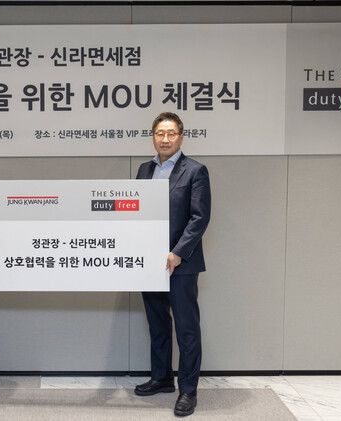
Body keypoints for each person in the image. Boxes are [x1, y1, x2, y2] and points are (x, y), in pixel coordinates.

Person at [134, 112, 211, 417]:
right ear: (153, 136)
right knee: (158, 324)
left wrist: (178, 252)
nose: (164, 139)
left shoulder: (195, 171)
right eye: (159, 133)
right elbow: (136, 212)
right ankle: (162, 378)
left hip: (181, 263)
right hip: (149, 263)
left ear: (181, 136)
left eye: (171, 133)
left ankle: (188, 390)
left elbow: (199, 217)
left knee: (186, 328)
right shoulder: (145, 169)